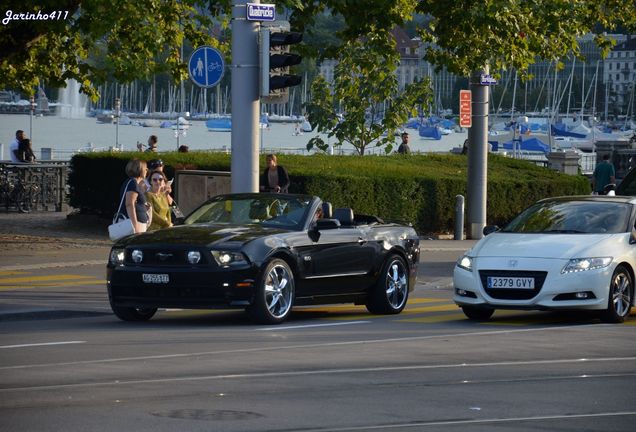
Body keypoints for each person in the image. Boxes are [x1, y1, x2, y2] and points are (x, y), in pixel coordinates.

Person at [121, 159, 150, 233]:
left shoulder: (134, 183)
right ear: (140, 169)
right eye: (145, 168)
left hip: (140, 223)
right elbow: (130, 204)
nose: (147, 170)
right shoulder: (133, 182)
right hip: (135, 225)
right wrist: (134, 225)